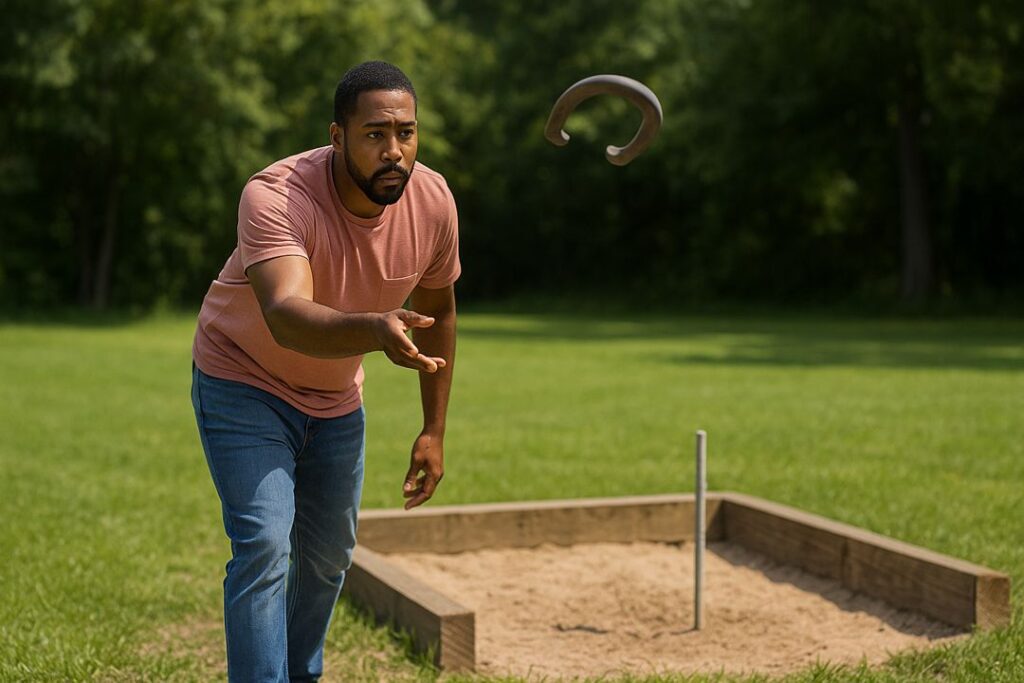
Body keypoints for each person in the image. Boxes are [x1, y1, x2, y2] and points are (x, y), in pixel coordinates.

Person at [189, 61, 460, 682]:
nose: (394, 151)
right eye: (374, 134)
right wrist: (371, 328)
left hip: (335, 398)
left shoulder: (433, 202)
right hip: (244, 380)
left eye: (407, 132)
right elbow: (286, 314)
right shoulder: (277, 194)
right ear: (336, 136)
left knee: (330, 555)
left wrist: (433, 429)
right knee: (264, 544)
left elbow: (439, 310)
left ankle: (298, 674)